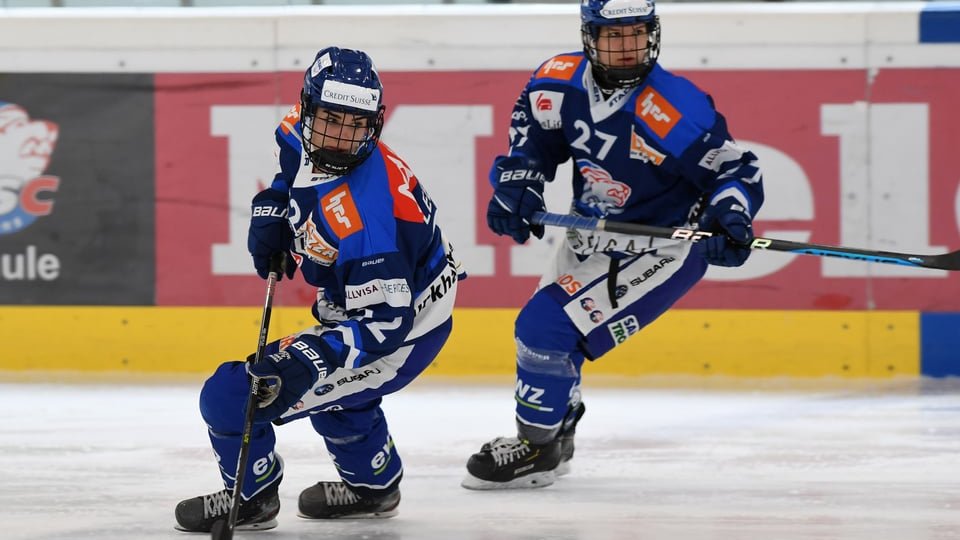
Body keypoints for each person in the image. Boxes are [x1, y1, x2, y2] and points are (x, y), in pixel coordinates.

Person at [462, 0, 764, 490]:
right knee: (557, 341)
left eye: (637, 33)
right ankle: (556, 434)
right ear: (588, 36)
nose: (627, 47)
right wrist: (519, 185)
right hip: (589, 233)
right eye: (612, 35)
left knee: (543, 329)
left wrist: (730, 213)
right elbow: (534, 142)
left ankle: (535, 448)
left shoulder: (673, 107)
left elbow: (736, 171)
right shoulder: (557, 81)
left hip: (659, 249)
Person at [174, 46, 462, 532]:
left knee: (232, 395)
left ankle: (253, 499)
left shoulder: (367, 220)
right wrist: (272, 206)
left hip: (401, 329)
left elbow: (385, 327)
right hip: (370, 304)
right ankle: (375, 487)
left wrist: (313, 358)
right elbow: (291, 170)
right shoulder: (296, 129)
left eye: (356, 124)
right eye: (331, 118)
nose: (342, 136)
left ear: (375, 122)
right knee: (342, 403)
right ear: (307, 107)